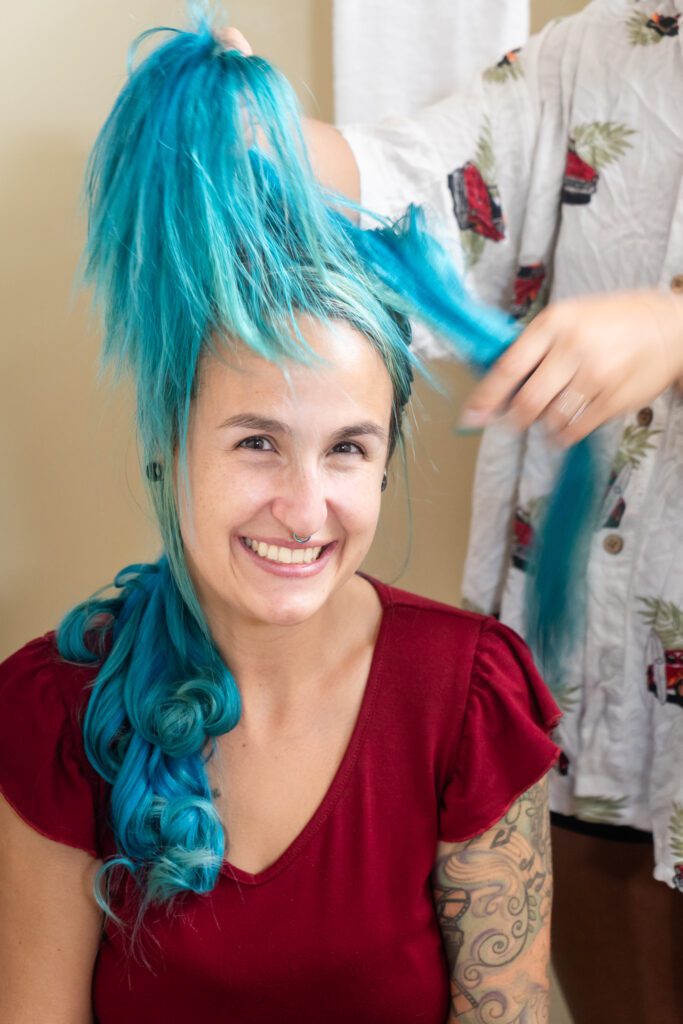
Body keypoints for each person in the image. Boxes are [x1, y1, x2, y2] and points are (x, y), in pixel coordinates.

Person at [0, 18, 560, 1024]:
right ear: (171, 444)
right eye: (256, 441)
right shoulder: (57, 711)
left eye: (346, 447)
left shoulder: (467, 700)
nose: (304, 510)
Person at [222, 0, 683, 1020]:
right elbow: (422, 187)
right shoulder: (608, 48)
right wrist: (272, 139)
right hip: (593, 712)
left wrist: (672, 324)